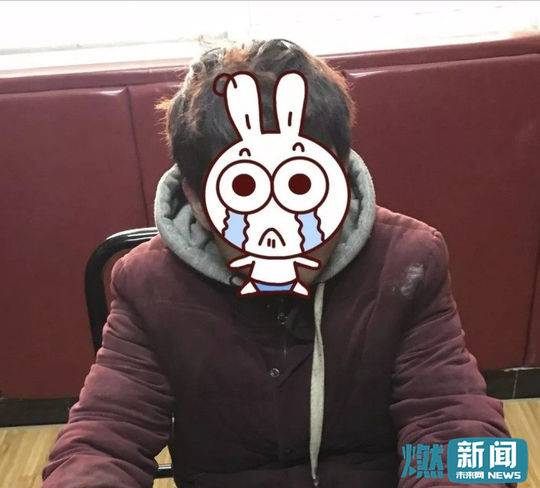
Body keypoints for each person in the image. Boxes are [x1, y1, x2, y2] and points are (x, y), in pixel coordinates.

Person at [42, 39, 515, 488]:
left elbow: (453, 419)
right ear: (194, 197)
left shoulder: (408, 260)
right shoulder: (148, 284)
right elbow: (102, 438)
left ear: (338, 171)